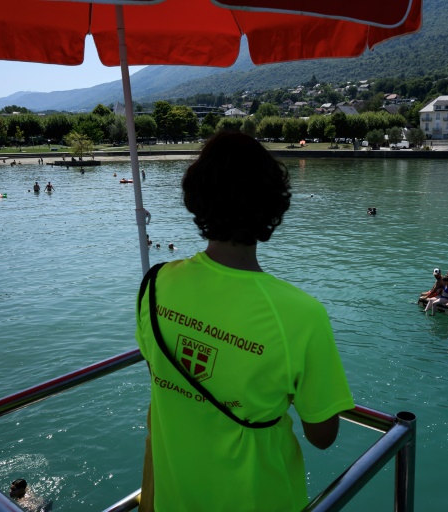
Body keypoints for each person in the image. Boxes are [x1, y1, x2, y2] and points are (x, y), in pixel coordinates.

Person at [135, 132, 354, 512]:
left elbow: (157, 364)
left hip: (174, 498)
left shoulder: (155, 284)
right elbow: (322, 435)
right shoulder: (301, 314)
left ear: (197, 198)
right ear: (272, 206)